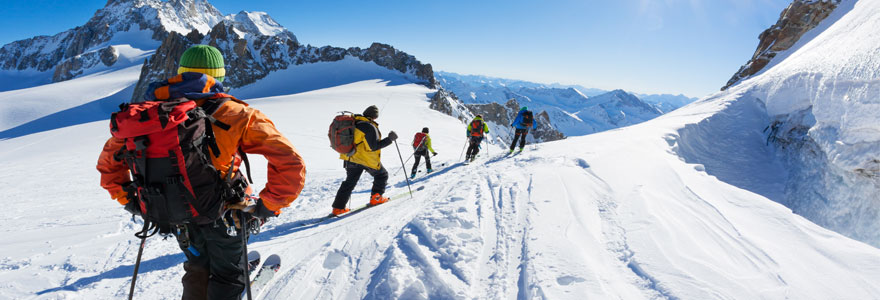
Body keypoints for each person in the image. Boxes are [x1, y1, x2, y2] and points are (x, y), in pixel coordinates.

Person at [96, 45, 306, 300]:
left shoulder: (147, 116)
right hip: (224, 214)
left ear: (180, 73)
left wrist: (133, 201)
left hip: (173, 213)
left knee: (196, 266)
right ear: (219, 76)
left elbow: (109, 166)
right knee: (227, 274)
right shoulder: (237, 114)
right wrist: (269, 205)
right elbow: (289, 161)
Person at [332, 105, 398, 216]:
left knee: (349, 182)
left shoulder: (354, 123)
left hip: (350, 158)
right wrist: (390, 139)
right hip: (365, 159)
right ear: (375, 117)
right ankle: (376, 198)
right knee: (382, 175)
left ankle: (338, 208)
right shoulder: (368, 126)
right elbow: (373, 146)